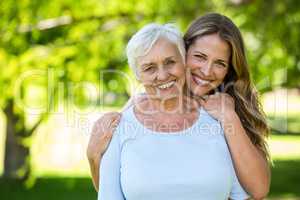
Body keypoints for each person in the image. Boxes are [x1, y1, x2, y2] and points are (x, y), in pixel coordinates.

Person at [87, 13, 270, 199]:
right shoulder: (131, 115)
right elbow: (115, 189)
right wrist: (94, 157)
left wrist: (229, 117)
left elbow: (258, 190)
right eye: (199, 56)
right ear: (184, 51)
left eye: (220, 63)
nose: (206, 71)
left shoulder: (224, 115)